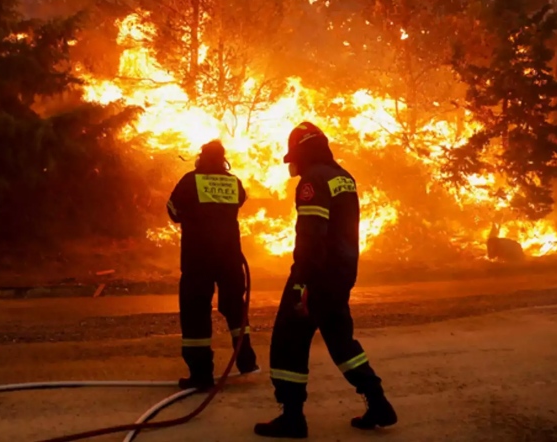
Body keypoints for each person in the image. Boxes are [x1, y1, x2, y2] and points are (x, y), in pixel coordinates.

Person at [254, 122, 397, 438]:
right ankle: (378, 401)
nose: (293, 164)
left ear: (303, 152)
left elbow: (312, 235)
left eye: (295, 156)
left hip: (315, 275)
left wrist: (302, 281)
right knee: (341, 340)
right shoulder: (343, 177)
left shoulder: (313, 180)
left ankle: (292, 418)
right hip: (341, 274)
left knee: (288, 342)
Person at [167, 140, 258, 390]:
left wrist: (192, 215)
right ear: (223, 160)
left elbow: (172, 210)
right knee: (234, 307)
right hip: (230, 256)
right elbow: (240, 200)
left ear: (200, 158)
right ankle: (246, 360)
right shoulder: (233, 182)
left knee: (195, 311)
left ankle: (201, 374)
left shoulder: (190, 181)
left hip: (198, 257)